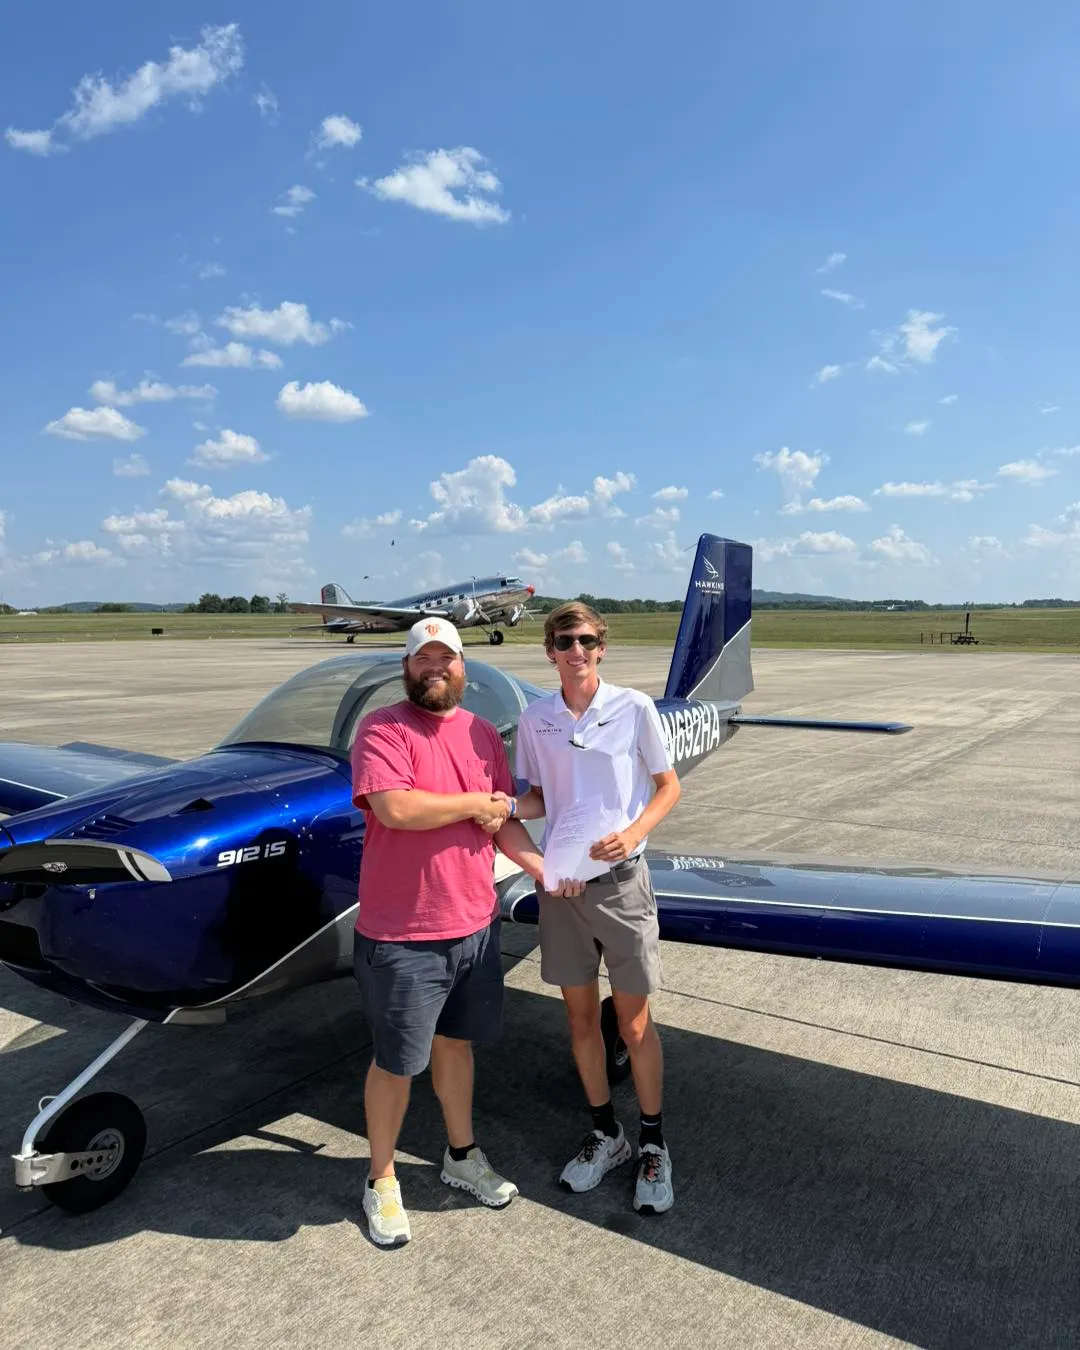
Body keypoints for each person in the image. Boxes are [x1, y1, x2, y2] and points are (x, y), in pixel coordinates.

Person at [350, 616, 544, 1247]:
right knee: (395, 1064)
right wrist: (475, 803)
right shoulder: (383, 728)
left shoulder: (483, 733)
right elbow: (396, 808)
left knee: (456, 1047)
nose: (435, 668)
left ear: (463, 666)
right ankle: (381, 1179)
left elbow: (504, 817)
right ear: (406, 667)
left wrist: (544, 870)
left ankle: (461, 1155)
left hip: (475, 926)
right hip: (403, 933)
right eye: (423, 659)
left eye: (447, 658)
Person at [510, 601, 681, 1215]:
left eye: (585, 640)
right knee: (581, 1021)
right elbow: (538, 798)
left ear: (601, 647)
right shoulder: (536, 719)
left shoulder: (633, 707)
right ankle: (607, 1133)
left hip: (622, 884)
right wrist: (497, 807)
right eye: (564, 641)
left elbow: (668, 787)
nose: (575, 650)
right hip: (563, 891)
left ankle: (654, 1142)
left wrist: (632, 834)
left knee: (633, 1026)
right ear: (550, 651)